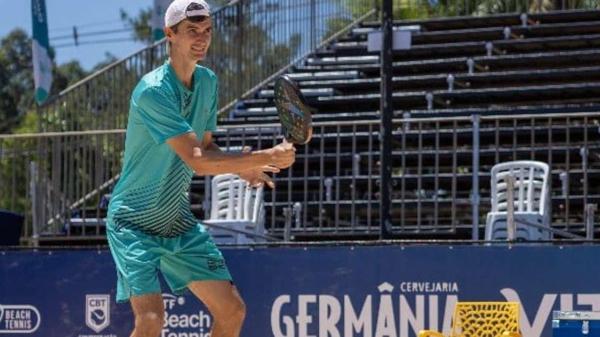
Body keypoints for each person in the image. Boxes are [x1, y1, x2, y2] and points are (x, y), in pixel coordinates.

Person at [105, 1, 296, 336]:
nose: (202, 38)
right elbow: (196, 159)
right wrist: (262, 156)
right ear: (170, 34)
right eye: (192, 31)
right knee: (150, 320)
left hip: (175, 220)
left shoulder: (207, 82)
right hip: (133, 221)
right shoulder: (152, 92)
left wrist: (240, 168)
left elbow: (206, 147)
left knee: (232, 310)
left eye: (207, 31)